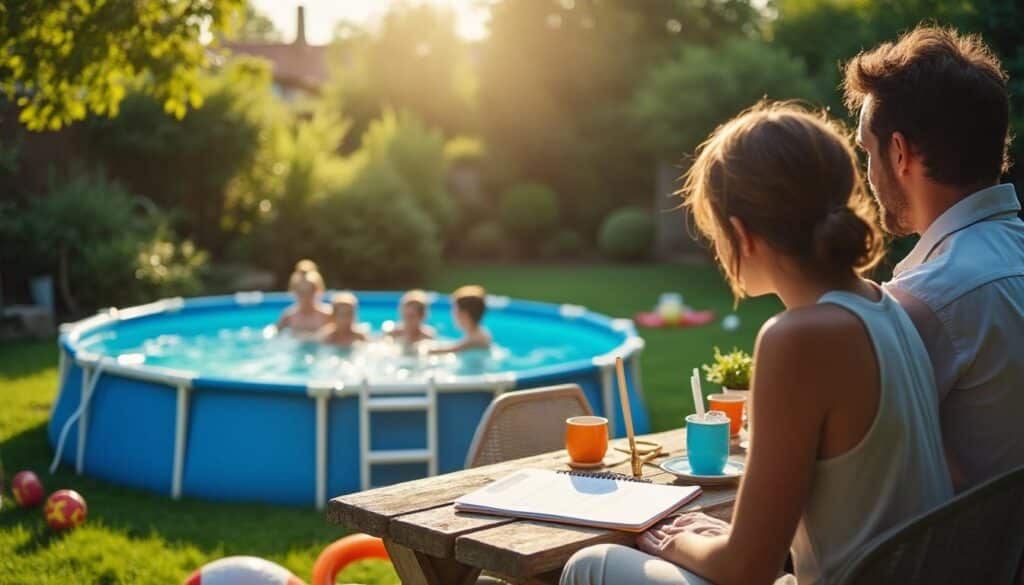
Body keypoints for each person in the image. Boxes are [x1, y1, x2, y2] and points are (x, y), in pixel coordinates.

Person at [560, 102, 952, 585]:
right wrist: (715, 540)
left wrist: (674, 537)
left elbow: (748, 571)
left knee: (590, 566)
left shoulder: (799, 338)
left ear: (741, 234)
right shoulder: (890, 309)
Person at [843, 26, 1024, 491]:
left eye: (866, 149)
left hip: (964, 562)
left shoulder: (929, 299)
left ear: (900, 152)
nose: (867, 171)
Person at [430, 285, 492, 354]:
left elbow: (449, 349)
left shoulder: (476, 338)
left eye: (455, 310)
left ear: (465, 314)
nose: (452, 314)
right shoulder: (480, 333)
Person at [276, 268, 331, 336]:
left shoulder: (328, 314)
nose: (306, 297)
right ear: (295, 293)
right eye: (301, 292)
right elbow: (275, 331)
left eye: (310, 291)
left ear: (318, 291)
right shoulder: (289, 316)